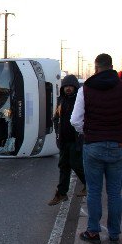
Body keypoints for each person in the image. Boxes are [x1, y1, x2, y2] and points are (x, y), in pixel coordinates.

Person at [71, 54, 122, 244]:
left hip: (93, 145)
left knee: (94, 191)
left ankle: (93, 232)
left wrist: (88, 133)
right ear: (111, 67)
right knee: (115, 193)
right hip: (118, 146)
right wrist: (121, 132)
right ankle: (114, 234)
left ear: (96, 68)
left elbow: (75, 120)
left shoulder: (85, 89)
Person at [48, 74, 87, 205]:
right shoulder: (61, 100)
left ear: (75, 87)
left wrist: (82, 135)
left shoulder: (80, 100)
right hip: (64, 140)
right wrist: (58, 133)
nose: (68, 89)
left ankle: (89, 185)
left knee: (76, 164)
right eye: (66, 86)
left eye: (71, 86)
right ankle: (61, 193)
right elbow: (55, 118)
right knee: (63, 166)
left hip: (76, 139)